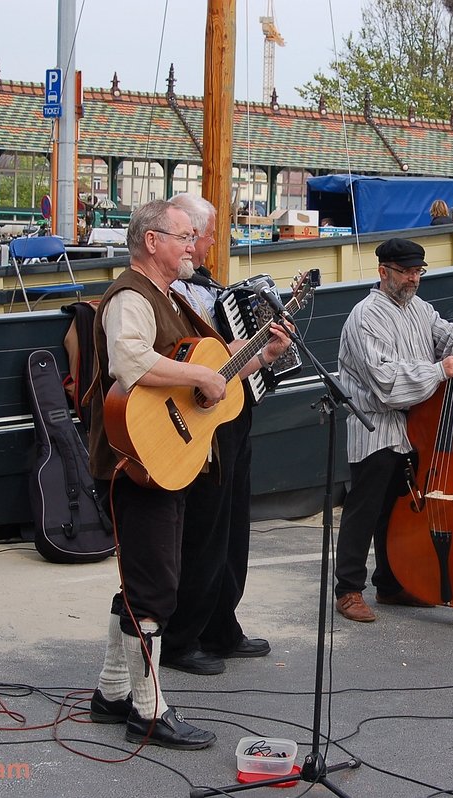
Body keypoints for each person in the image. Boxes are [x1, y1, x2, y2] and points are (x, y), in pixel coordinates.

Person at [85, 199, 290, 749]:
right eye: (183, 235)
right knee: (157, 586)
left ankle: (110, 692)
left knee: (145, 579)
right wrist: (202, 371)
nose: (191, 243)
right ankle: (148, 710)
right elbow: (128, 363)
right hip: (141, 457)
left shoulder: (170, 297)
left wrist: (259, 357)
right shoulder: (131, 295)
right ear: (151, 241)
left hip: (166, 459)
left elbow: (210, 379)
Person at [333, 238, 453, 622]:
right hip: (376, 426)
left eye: (418, 271)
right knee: (366, 510)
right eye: (405, 272)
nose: (413, 279)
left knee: (400, 512)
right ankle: (348, 589)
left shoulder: (419, 308)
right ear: (383, 272)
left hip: (415, 428)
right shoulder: (365, 315)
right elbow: (384, 380)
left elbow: (447, 334)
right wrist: (439, 370)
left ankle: (391, 583)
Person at [159, 192, 273, 676]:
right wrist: (232, 353)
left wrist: (263, 354)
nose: (203, 247)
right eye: (198, 237)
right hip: (193, 425)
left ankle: (221, 625)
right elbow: (181, 359)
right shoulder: (164, 293)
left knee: (233, 529)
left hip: (233, 416)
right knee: (202, 532)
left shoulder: (206, 287)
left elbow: (225, 363)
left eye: (199, 238)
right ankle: (182, 637)